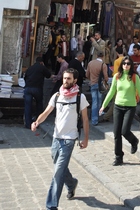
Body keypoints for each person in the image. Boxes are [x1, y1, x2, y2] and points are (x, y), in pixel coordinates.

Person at [31, 67, 89, 210]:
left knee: (57, 172)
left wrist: (85, 138)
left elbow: (86, 120)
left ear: (75, 80)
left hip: (69, 139)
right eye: (64, 78)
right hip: (56, 138)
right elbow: (46, 112)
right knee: (60, 168)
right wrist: (37, 122)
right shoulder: (57, 96)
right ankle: (71, 183)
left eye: (69, 78)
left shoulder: (79, 97)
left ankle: (51, 205)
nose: (65, 81)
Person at [100, 55, 140, 166]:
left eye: (128, 63)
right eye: (124, 63)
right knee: (116, 133)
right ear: (121, 65)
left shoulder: (135, 77)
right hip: (118, 106)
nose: (126, 65)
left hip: (130, 107)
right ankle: (118, 157)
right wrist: (103, 106)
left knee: (124, 131)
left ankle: (134, 141)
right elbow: (111, 92)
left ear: (131, 66)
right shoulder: (117, 76)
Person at [23, 55, 51, 129]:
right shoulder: (42, 67)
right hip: (37, 88)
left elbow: (25, 77)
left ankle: (28, 124)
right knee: (39, 104)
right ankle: (37, 122)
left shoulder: (30, 68)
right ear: (42, 62)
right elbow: (48, 75)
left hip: (28, 88)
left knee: (28, 106)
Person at [86, 51, 108, 126]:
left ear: (96, 55)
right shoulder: (103, 65)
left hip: (92, 84)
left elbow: (87, 74)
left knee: (94, 102)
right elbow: (106, 77)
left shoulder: (90, 63)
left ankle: (94, 119)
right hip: (100, 85)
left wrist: (91, 79)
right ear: (103, 56)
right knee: (99, 101)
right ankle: (97, 117)